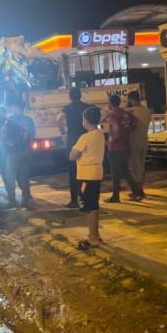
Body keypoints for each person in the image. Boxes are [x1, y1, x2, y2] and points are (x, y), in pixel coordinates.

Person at [69, 107, 105, 249]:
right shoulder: (99, 134)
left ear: (86, 120)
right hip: (96, 174)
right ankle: (96, 234)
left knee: (89, 207)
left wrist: (73, 148)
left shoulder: (85, 137)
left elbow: (72, 156)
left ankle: (93, 238)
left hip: (85, 176)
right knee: (94, 205)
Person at [57, 87, 92, 208]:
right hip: (86, 141)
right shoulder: (87, 107)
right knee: (85, 172)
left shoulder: (67, 108)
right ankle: (84, 197)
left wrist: (63, 133)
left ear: (70, 97)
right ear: (80, 95)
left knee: (73, 172)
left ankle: (74, 201)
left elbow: (59, 120)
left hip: (72, 141)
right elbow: (101, 114)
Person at [2, 100, 36, 209]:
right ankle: (25, 201)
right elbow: (33, 135)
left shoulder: (11, 120)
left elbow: (3, 130)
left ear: (16, 107)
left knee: (10, 176)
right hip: (26, 151)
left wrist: (8, 142)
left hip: (14, 151)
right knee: (24, 176)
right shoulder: (29, 120)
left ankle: (12, 200)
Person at [104, 94, 138, 203]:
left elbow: (115, 127)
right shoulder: (126, 113)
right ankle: (136, 192)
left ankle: (115, 196)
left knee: (115, 173)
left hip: (115, 148)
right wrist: (126, 134)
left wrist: (112, 139)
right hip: (126, 145)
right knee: (125, 170)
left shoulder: (112, 115)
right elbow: (134, 124)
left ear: (110, 103)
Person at [126, 91, 150, 200]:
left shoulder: (131, 111)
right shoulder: (147, 110)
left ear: (131, 99)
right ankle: (141, 190)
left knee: (135, 167)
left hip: (134, 141)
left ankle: (138, 192)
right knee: (141, 165)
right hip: (144, 140)